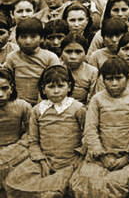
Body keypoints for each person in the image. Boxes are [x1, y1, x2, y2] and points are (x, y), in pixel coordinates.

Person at [71, 57, 129, 198]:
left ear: (127, 78)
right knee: (88, 181)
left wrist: (127, 157)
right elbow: (91, 129)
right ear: (102, 80)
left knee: (116, 183)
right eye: (109, 79)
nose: (114, 83)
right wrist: (101, 155)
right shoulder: (97, 99)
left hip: (127, 156)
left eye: (119, 78)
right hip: (100, 156)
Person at [5, 65, 85, 198]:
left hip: (70, 163)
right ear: (43, 88)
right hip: (45, 160)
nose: (56, 91)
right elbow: (33, 140)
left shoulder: (78, 108)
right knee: (13, 182)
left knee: (52, 192)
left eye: (60, 86)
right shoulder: (37, 110)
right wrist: (41, 160)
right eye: (51, 87)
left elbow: (86, 136)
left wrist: (79, 158)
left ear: (69, 87)